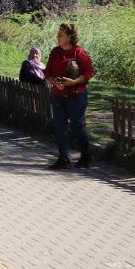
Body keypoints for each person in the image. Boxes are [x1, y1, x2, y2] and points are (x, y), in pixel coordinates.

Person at [44, 23, 96, 169]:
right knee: (60, 126)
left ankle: (86, 156)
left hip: (76, 96)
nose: (58, 36)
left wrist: (73, 82)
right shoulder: (55, 52)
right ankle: (64, 158)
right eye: (58, 33)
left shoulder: (79, 53)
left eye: (61, 34)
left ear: (70, 36)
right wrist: (55, 82)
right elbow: (47, 72)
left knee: (78, 125)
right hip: (58, 95)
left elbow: (89, 72)